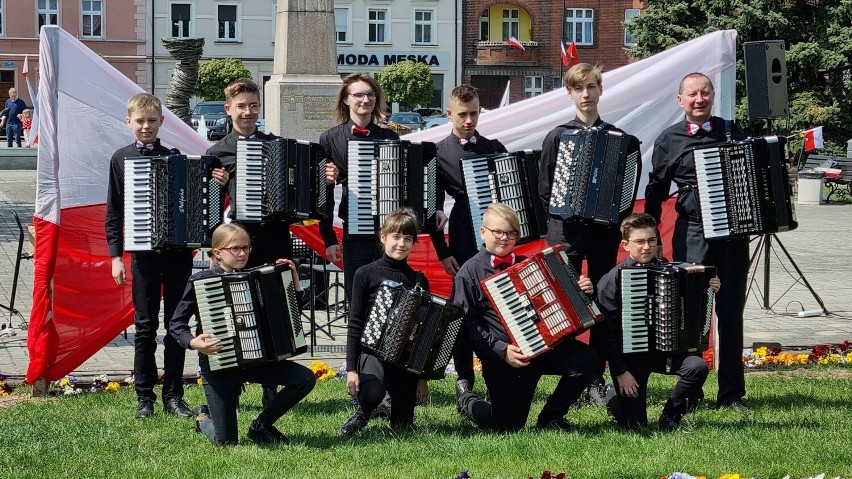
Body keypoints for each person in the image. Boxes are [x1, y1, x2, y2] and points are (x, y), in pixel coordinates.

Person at [644, 72, 797, 412]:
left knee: (730, 313)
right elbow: (655, 190)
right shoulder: (668, 140)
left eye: (705, 93)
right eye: (692, 94)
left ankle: (730, 394)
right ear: (680, 100)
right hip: (692, 233)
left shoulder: (731, 131)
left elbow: (758, 172)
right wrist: (651, 234)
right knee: (692, 314)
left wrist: (783, 178)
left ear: (712, 96)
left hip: (732, 235)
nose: (699, 99)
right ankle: (691, 392)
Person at [207, 77, 337, 406]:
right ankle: (233, 380)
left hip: (276, 235)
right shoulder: (217, 151)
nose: (248, 111)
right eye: (241, 106)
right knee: (239, 310)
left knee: (276, 309)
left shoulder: (277, 145)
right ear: (229, 109)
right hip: (239, 240)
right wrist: (215, 186)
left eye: (253, 106)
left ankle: (271, 382)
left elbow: (307, 189)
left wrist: (324, 180)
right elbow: (207, 210)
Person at [105, 92, 229, 419]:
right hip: (143, 255)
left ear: (161, 122)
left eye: (152, 121)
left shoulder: (176, 157)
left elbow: (206, 206)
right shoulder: (121, 159)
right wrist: (116, 256)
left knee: (177, 324)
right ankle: (144, 397)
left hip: (178, 254)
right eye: (140, 121)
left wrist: (219, 185)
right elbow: (114, 211)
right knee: (145, 327)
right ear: (129, 122)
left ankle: (174, 395)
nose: (146, 126)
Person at [537, 63, 640, 403]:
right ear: (569, 93)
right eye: (579, 88)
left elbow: (626, 190)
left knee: (602, 304)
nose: (586, 94)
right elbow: (545, 189)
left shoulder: (619, 139)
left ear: (600, 90)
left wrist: (616, 213)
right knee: (564, 303)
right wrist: (562, 212)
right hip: (564, 233)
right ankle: (571, 374)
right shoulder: (557, 135)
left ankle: (596, 377)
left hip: (602, 235)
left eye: (591, 87)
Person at [453, 203, 598, 432]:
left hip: (544, 350)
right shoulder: (468, 273)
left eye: (511, 233)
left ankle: (551, 417)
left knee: (587, 359)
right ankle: (467, 402)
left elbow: (562, 302)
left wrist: (583, 291)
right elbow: (468, 326)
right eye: (498, 232)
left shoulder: (528, 265)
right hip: (507, 359)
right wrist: (502, 351)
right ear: (483, 232)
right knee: (507, 427)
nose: (504, 238)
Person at [169, 223, 316, 446]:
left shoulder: (258, 277)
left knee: (304, 379)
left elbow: (291, 310)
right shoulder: (201, 281)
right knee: (226, 442)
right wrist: (193, 342)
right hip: (220, 366)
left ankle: (261, 425)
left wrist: (293, 278)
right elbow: (176, 323)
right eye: (235, 249)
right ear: (217, 253)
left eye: (246, 248)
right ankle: (202, 418)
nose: (242, 254)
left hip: (255, 362)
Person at [597, 213, 718, 431]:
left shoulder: (671, 272)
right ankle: (612, 394)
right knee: (635, 427)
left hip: (667, 354)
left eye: (651, 240)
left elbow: (691, 304)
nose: (646, 247)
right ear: (625, 245)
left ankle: (671, 415)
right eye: (639, 241)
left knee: (697, 367)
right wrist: (620, 372)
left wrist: (708, 288)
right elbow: (606, 334)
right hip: (631, 361)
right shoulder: (611, 281)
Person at [428, 84, 508, 405]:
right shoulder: (439, 152)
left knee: (494, 309)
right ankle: (464, 378)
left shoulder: (495, 146)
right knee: (461, 311)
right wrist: (442, 252)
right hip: (460, 238)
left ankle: (496, 371)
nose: (469, 120)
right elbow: (433, 209)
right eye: (462, 114)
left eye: (474, 113)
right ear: (450, 114)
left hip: (493, 242)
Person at [339, 208, 430, 435]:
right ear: (383, 238)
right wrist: (351, 368)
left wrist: (421, 379)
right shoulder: (365, 273)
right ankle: (364, 412)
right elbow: (355, 323)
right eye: (396, 237)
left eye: (408, 239)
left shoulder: (419, 280)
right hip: (372, 353)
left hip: (403, 360)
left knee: (403, 427)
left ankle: (388, 407)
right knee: (372, 393)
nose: (401, 244)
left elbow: (423, 335)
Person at [318, 73, 399, 303]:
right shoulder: (330, 138)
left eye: (370, 94)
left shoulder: (390, 137)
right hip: (354, 235)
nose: (365, 100)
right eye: (359, 95)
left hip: (389, 232)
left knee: (389, 301)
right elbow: (324, 196)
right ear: (346, 99)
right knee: (357, 302)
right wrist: (329, 238)